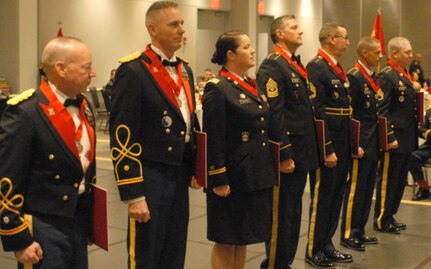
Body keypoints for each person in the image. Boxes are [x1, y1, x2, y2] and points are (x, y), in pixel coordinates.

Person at [109, 2, 198, 269]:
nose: (181, 30)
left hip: (178, 172)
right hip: (149, 174)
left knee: (174, 250)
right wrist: (133, 193)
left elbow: (188, 124)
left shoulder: (185, 69)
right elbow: (122, 134)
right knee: (146, 253)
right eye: (173, 24)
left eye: (182, 23)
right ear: (152, 29)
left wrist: (194, 166)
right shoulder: (134, 71)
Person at [0, 36, 96, 268]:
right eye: (86, 67)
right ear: (61, 69)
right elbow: (8, 176)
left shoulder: (83, 105)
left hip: (77, 218)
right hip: (44, 225)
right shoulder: (26, 112)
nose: (93, 73)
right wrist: (18, 237)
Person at [203, 31, 276, 269]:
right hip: (233, 176)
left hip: (253, 174)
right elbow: (213, 137)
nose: (253, 50)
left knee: (242, 237)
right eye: (246, 47)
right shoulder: (218, 88)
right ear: (231, 54)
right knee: (226, 239)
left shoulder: (251, 84)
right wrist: (218, 177)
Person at [256, 15, 319, 269]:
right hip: (288, 153)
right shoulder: (273, 66)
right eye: (294, 28)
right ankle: (274, 263)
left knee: (294, 213)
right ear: (280, 34)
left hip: (303, 151)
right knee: (281, 214)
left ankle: (285, 262)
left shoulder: (293, 65)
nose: (300, 31)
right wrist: (283, 152)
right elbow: (275, 113)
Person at [305, 22, 352, 268]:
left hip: (343, 140)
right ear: (331, 39)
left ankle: (327, 244)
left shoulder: (336, 68)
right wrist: (328, 147)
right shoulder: (316, 67)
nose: (348, 42)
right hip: (329, 142)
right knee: (323, 196)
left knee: (336, 196)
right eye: (345, 37)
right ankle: (314, 248)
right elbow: (317, 112)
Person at [340, 37, 382, 252]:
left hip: (373, 142)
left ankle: (359, 228)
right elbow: (351, 114)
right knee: (355, 190)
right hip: (361, 144)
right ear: (364, 53)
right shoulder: (354, 77)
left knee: (367, 190)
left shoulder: (371, 78)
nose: (380, 56)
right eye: (376, 52)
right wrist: (354, 143)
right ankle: (348, 232)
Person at [374, 36, 417, 234]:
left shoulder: (403, 73)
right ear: (395, 53)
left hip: (407, 136)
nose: (411, 56)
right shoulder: (386, 76)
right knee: (389, 179)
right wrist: (389, 136)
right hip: (395, 138)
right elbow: (381, 111)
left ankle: (390, 214)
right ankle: (382, 218)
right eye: (407, 52)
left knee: (399, 179)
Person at [408, 108, 431, 201]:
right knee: (410, 157)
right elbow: (421, 129)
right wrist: (428, 132)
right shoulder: (429, 112)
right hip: (429, 147)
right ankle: (424, 188)